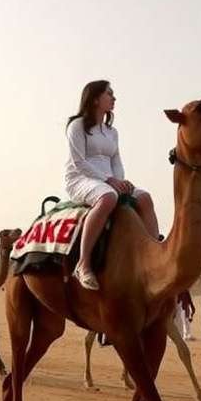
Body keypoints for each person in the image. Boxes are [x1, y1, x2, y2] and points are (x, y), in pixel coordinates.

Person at [64, 80, 159, 290]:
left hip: (109, 180)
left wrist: (121, 181)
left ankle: (154, 258)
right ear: (95, 98)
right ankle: (83, 263)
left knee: (144, 197)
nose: (114, 98)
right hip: (81, 179)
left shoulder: (112, 132)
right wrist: (110, 181)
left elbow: (116, 162)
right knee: (108, 197)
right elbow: (79, 162)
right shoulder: (77, 126)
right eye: (109, 94)